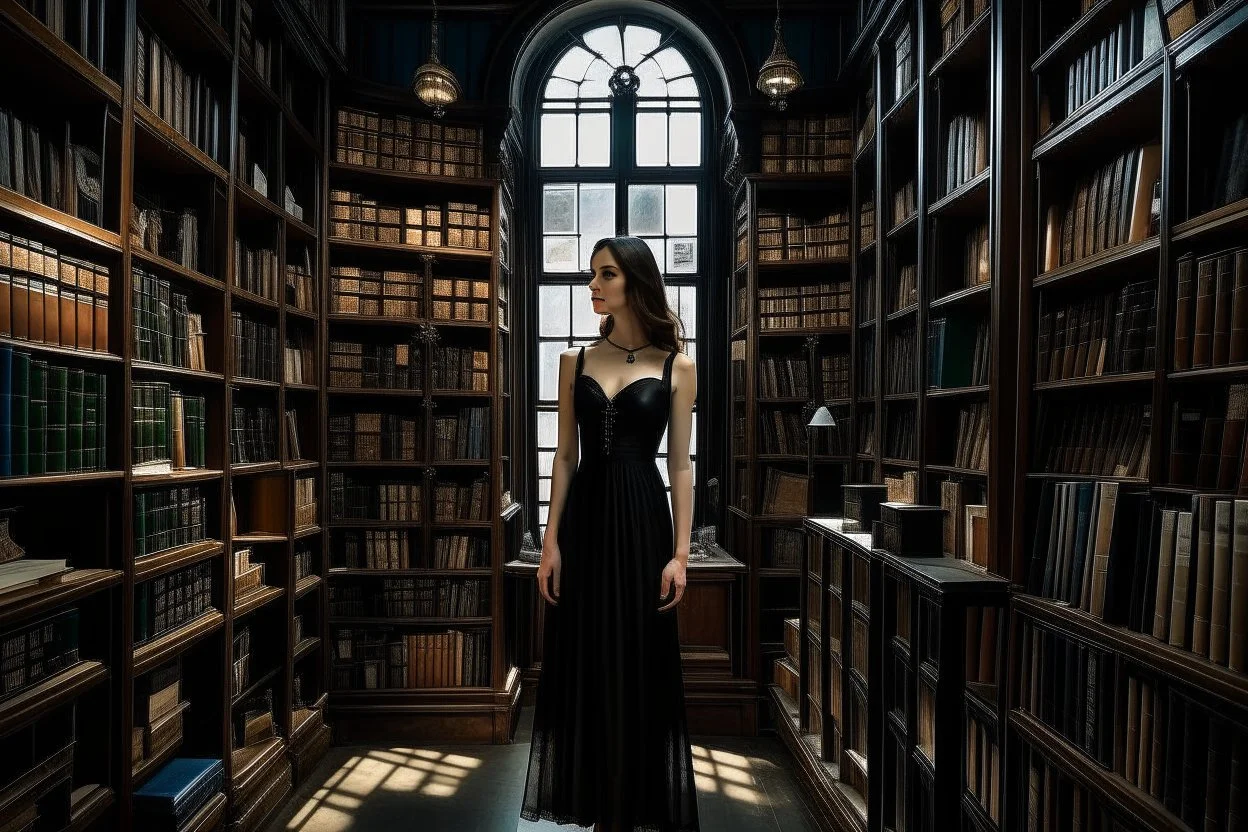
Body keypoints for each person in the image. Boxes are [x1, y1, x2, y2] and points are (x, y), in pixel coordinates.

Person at [520, 236, 700, 832]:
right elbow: (565, 459)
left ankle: (631, 806)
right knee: (587, 656)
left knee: (638, 659)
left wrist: (680, 553)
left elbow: (679, 464)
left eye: (605, 275)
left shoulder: (677, 364)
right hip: (588, 523)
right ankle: (599, 806)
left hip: (644, 521)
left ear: (635, 283)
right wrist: (550, 542)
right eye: (592, 274)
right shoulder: (575, 361)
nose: (592, 285)